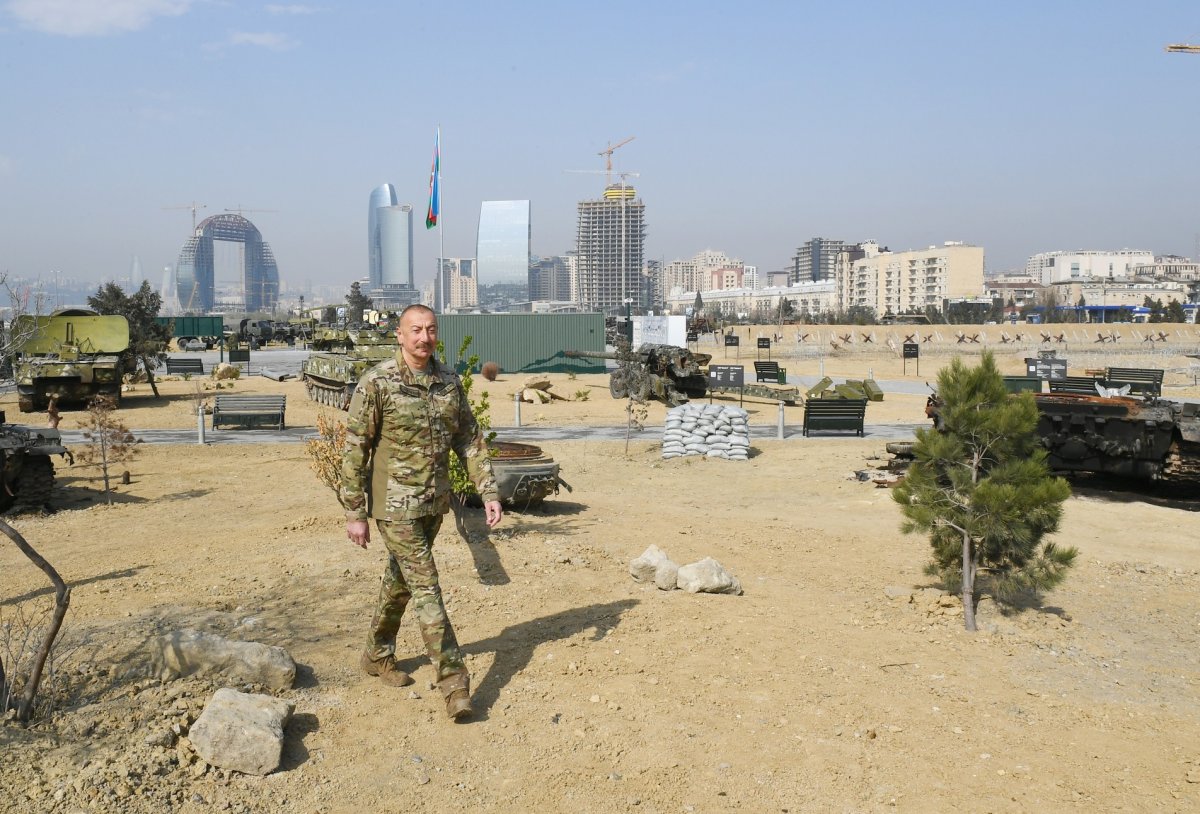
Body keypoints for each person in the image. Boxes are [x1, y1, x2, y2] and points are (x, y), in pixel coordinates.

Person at [339, 304, 502, 720]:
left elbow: (469, 439)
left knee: (402, 579)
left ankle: (377, 653)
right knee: (427, 585)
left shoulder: (448, 382)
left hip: (434, 503)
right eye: (415, 330)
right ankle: (454, 683)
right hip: (394, 506)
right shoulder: (377, 383)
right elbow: (355, 449)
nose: (424, 337)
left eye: (430, 330)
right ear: (399, 335)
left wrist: (489, 491)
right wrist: (355, 512)